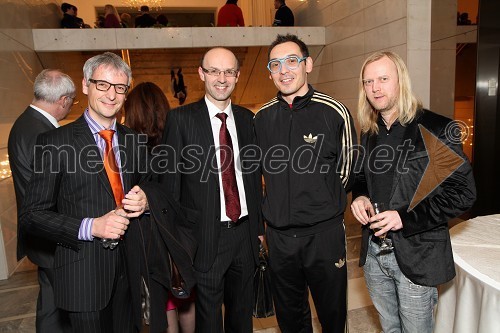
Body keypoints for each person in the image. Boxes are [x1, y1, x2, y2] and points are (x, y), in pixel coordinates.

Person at [19, 52, 150, 333]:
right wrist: (92, 226)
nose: (111, 95)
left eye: (119, 87)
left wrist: (146, 199)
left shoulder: (135, 141)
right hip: (82, 275)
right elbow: (32, 215)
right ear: (85, 85)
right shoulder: (54, 142)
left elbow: (148, 185)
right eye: (102, 84)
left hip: (129, 271)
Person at [350, 51, 476, 333]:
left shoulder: (437, 128)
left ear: (401, 81)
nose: (375, 88)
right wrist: (359, 195)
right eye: (368, 81)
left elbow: (463, 193)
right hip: (374, 253)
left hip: (416, 257)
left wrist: (405, 218)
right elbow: (361, 177)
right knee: (390, 328)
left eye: (383, 78)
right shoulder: (369, 131)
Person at [253, 33, 356, 332]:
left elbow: (349, 170)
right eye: (275, 64)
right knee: (291, 320)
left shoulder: (334, 112)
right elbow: (254, 176)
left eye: (291, 61)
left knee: (333, 317)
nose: (284, 70)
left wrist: (321, 198)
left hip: (324, 236)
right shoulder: (260, 118)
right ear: (270, 72)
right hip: (280, 241)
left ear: (308, 64)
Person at [160, 47, 263, 332]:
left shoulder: (247, 119)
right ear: (201, 74)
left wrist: (259, 229)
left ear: (238, 76)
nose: (222, 78)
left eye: (229, 71)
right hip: (204, 238)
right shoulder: (180, 120)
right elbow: (170, 187)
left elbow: (253, 178)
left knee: (242, 318)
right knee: (208, 321)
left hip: (244, 235)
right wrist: (177, 243)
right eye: (214, 71)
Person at [124, 82, 195, 333]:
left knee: (164, 302)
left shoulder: (129, 148)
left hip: (151, 236)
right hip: (181, 231)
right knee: (184, 293)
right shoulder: (177, 141)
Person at [8, 69, 75, 333]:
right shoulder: (43, 133)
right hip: (52, 232)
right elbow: (58, 188)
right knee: (61, 306)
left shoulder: (26, 123)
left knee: (50, 302)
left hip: (41, 233)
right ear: (63, 100)